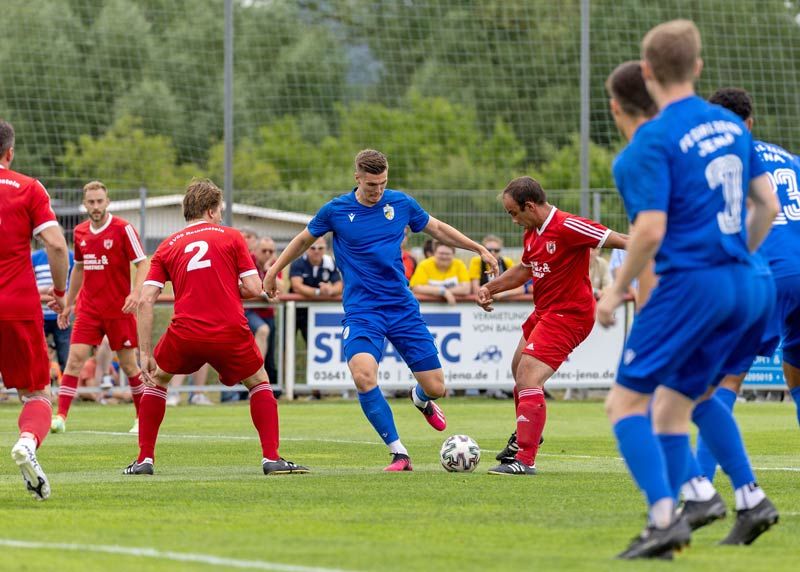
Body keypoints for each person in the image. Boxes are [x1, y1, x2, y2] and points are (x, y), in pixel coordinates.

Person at [597, 22, 780, 559]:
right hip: (750, 282)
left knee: (624, 403)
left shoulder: (647, 144)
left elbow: (650, 231)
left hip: (695, 284)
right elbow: (765, 205)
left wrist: (613, 292)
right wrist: (736, 255)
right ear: (698, 67)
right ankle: (728, 497)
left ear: (648, 72)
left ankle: (664, 518)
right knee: (683, 399)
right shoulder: (728, 125)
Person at [264, 149, 498, 471]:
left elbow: (438, 229)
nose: (377, 191)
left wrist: (479, 248)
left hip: (402, 308)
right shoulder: (336, 210)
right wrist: (274, 269)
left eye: (383, 183)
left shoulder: (400, 204)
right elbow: (304, 240)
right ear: (357, 178)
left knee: (436, 388)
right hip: (363, 311)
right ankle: (399, 452)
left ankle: (420, 398)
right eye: (372, 184)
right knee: (363, 376)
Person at [125, 179, 307, 476]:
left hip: (186, 332)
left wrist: (144, 351)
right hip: (229, 329)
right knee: (259, 381)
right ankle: (271, 458)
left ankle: (145, 460)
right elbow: (252, 288)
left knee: (157, 380)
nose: (221, 215)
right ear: (210, 210)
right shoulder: (232, 237)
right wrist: (223, 286)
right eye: (220, 210)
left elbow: (145, 301)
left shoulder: (167, 246)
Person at [476, 177, 627, 475]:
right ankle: (525, 435)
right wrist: (491, 288)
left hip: (570, 314)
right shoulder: (532, 233)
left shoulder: (569, 226)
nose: (512, 219)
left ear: (529, 206)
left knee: (529, 376)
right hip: (544, 312)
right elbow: (523, 271)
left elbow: (625, 241)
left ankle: (525, 459)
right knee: (518, 369)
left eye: (513, 213)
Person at [692, 88, 800, 479]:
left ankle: (700, 482)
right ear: (750, 122)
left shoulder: (724, 162)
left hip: (768, 271)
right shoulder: (790, 159)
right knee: (796, 370)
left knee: (725, 376)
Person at [0, 118, 70, 501]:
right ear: (9, 153)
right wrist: (60, 291)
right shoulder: (28, 187)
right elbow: (58, 246)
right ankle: (27, 442)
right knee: (37, 393)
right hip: (15, 306)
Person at [52, 181, 149, 434]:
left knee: (129, 366)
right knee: (73, 362)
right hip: (89, 310)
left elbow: (143, 263)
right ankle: (60, 417)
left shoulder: (123, 229)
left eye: (99, 201)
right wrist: (68, 304)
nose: (95, 206)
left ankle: (142, 418)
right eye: (91, 202)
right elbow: (79, 269)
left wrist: (136, 292)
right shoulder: (81, 232)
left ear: (107, 202)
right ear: (85, 205)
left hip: (120, 310)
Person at [290, 236, 343, 340]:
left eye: (320, 248)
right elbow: (297, 287)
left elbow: (339, 286)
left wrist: (330, 290)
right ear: (307, 248)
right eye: (313, 248)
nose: (316, 251)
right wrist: (319, 292)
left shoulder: (330, 262)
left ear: (325, 249)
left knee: (312, 343)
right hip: (295, 310)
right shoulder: (298, 262)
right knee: (287, 342)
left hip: (316, 311)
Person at [32, 246, 75, 372]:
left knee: (65, 355)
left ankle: (65, 388)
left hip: (63, 314)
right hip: (40, 314)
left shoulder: (70, 256)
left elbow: (76, 285)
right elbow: (30, 288)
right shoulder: (34, 257)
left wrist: (65, 302)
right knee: (37, 354)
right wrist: (57, 297)